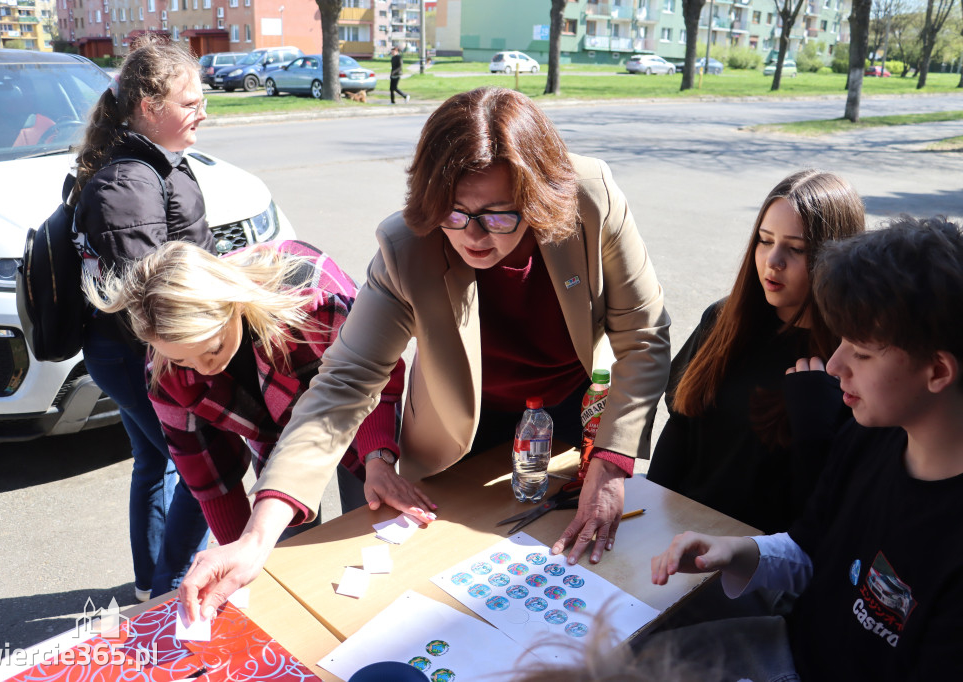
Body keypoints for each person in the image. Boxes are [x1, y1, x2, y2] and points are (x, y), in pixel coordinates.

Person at [179, 86, 670, 620]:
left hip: (569, 406)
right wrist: (256, 538)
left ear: (538, 196)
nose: (473, 235)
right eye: (454, 214)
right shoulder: (406, 245)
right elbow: (342, 385)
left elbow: (643, 335)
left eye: (499, 215)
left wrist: (612, 464)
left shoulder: (591, 199)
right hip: (459, 427)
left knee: (577, 569)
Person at [650, 216, 963, 680]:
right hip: (789, 647)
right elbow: (810, 547)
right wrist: (737, 551)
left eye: (861, 351)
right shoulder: (871, 436)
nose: (835, 365)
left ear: (938, 371)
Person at [84, 240, 405, 546]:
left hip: (358, 409)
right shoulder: (167, 372)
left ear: (233, 305)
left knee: (371, 516)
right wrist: (240, 557)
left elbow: (375, 376)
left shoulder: (311, 299)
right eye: (182, 359)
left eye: (212, 349)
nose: (201, 369)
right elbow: (210, 475)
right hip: (273, 432)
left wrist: (378, 458)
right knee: (282, 541)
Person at [72, 34, 213, 600]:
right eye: (190, 103)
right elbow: (155, 297)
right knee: (201, 467)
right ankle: (175, 586)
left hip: (120, 352)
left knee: (154, 463)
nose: (204, 111)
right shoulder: (127, 183)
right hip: (135, 354)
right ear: (150, 108)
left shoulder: (142, 166)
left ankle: (149, 586)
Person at [648, 170, 864, 534]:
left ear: (836, 257)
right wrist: (650, 512)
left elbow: (832, 509)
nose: (772, 261)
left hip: (760, 562)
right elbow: (681, 424)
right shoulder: (723, 319)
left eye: (796, 249)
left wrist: (815, 427)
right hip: (676, 532)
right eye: (765, 241)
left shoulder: (852, 357)